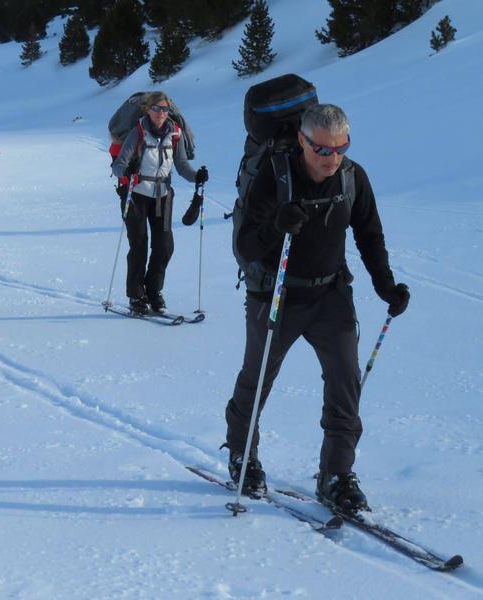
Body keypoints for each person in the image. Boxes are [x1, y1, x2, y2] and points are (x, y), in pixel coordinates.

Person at [224, 104, 410, 513]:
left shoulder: (352, 177)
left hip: (330, 293)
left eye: (341, 148)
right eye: (323, 150)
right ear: (303, 141)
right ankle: (242, 455)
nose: (333, 158)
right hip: (277, 293)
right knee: (257, 378)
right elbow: (246, 246)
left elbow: (369, 234)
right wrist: (277, 225)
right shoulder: (276, 175)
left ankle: (336, 474)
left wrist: (385, 285)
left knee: (346, 381)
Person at [111, 91, 208, 314]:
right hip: (136, 194)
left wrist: (197, 176)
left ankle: (154, 291)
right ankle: (136, 296)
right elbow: (118, 166)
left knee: (164, 245)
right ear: (148, 110)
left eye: (164, 109)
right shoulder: (137, 132)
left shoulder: (175, 133)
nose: (161, 113)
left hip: (162, 195)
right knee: (139, 245)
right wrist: (128, 170)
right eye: (156, 109)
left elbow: (181, 165)